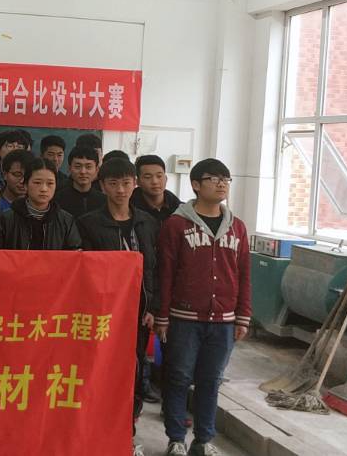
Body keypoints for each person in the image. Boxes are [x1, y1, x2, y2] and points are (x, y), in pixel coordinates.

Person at [156, 158, 251, 456]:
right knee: (178, 377)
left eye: (226, 179)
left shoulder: (237, 227)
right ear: (196, 184)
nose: (221, 184)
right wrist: (162, 316)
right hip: (184, 318)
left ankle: (203, 440)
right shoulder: (176, 225)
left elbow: (244, 273)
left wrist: (243, 316)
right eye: (214, 178)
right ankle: (176, 439)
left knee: (211, 381)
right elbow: (165, 272)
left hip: (224, 320)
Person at [76, 158, 160, 456]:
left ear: (134, 184)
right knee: (100, 374)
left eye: (126, 183)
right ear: (102, 186)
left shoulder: (147, 223)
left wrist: (154, 307)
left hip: (139, 314)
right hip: (104, 314)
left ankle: (127, 435)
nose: (121, 190)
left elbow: (155, 270)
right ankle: (96, 436)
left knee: (134, 374)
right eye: (113, 184)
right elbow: (86, 270)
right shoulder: (88, 223)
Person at [0, 158, 80, 250]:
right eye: (37, 183)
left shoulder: (66, 221)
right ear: (25, 185)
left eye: (50, 183)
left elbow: (74, 253)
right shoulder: (6, 220)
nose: (44, 189)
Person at [0, 149, 34, 227]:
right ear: (4, 175)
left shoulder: (42, 206)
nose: (22, 181)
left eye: (28, 175)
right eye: (17, 175)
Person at [54, 146, 105, 218]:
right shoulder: (57, 200)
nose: (83, 172)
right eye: (78, 166)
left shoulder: (104, 201)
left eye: (88, 167)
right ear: (69, 169)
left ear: (96, 170)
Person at [131, 154, 182, 223]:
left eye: (159, 176)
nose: (155, 181)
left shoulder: (180, 209)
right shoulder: (129, 209)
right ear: (137, 182)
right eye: (148, 177)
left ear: (166, 178)